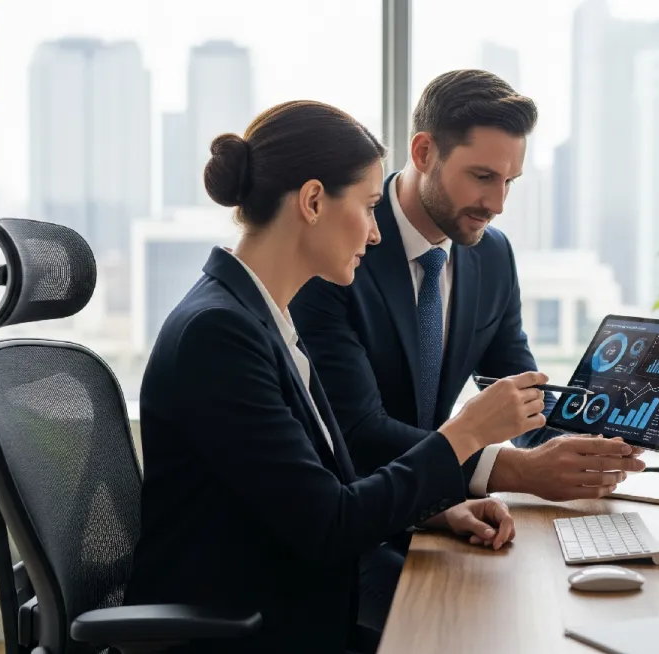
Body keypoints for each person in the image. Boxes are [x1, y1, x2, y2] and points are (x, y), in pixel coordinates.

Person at [124, 100, 549, 654]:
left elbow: (329, 486)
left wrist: (441, 508)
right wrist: (465, 433)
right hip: (257, 628)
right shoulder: (219, 334)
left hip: (291, 601)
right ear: (314, 201)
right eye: (370, 207)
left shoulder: (260, 317)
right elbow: (330, 526)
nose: (375, 234)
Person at [288, 68, 645, 629]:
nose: (497, 203)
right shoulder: (339, 245)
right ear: (424, 151)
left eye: (511, 182)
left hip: (436, 516)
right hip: (363, 539)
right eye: (482, 176)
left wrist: (582, 446)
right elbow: (358, 432)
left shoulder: (490, 255)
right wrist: (519, 470)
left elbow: (518, 384)